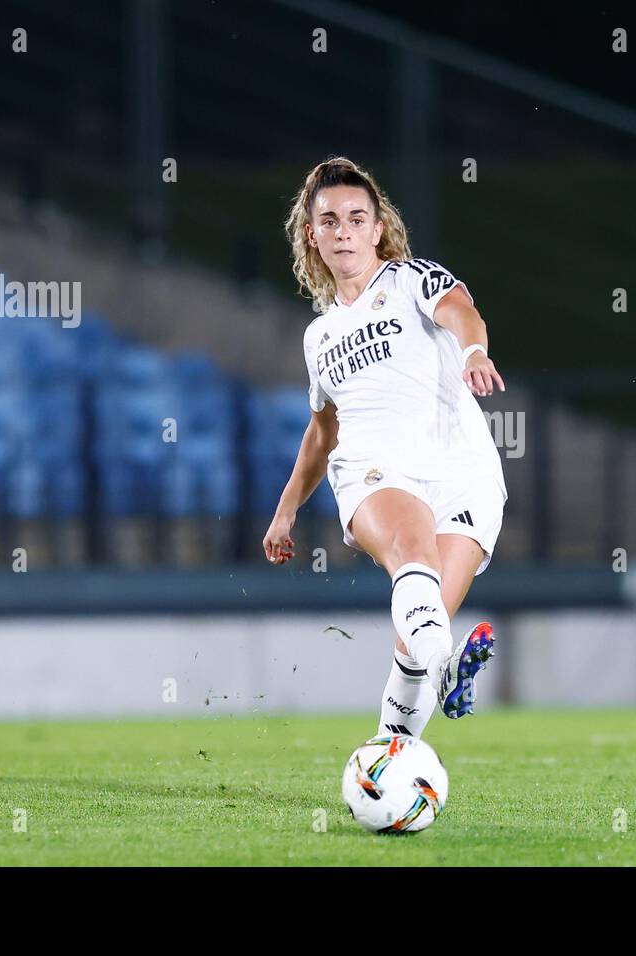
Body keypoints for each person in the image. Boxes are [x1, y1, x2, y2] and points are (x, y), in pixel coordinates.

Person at [263, 157, 508, 738]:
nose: (343, 230)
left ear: (378, 229)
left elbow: (462, 314)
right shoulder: (319, 336)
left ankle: (387, 758)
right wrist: (286, 508)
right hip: (376, 471)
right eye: (329, 221)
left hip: (464, 471)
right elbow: (323, 433)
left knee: (416, 636)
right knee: (413, 556)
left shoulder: (411, 279)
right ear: (312, 235)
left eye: (356, 218)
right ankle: (445, 669)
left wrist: (474, 352)